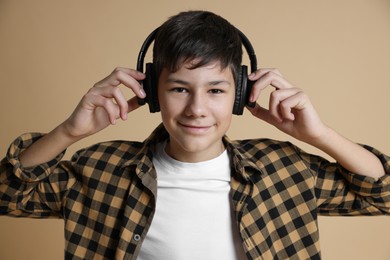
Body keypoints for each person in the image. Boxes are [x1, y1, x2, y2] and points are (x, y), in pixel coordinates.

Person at [0, 10, 389, 260]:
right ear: (152, 91)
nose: (197, 109)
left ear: (239, 93)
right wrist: (69, 131)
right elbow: (6, 196)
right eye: (179, 89)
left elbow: (383, 195)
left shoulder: (285, 169)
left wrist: (319, 135)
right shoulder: (100, 170)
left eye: (216, 90)